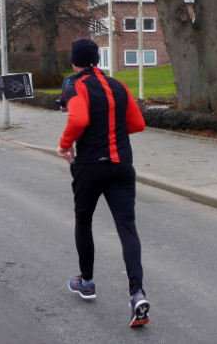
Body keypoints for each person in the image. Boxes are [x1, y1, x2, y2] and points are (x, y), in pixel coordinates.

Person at [56, 38, 150, 328]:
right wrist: (113, 133)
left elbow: (78, 119)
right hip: (121, 166)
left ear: (74, 61)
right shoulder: (119, 85)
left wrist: (65, 145)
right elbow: (138, 124)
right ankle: (137, 294)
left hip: (90, 166)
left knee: (84, 221)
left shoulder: (75, 86)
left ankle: (86, 282)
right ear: (97, 59)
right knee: (127, 227)